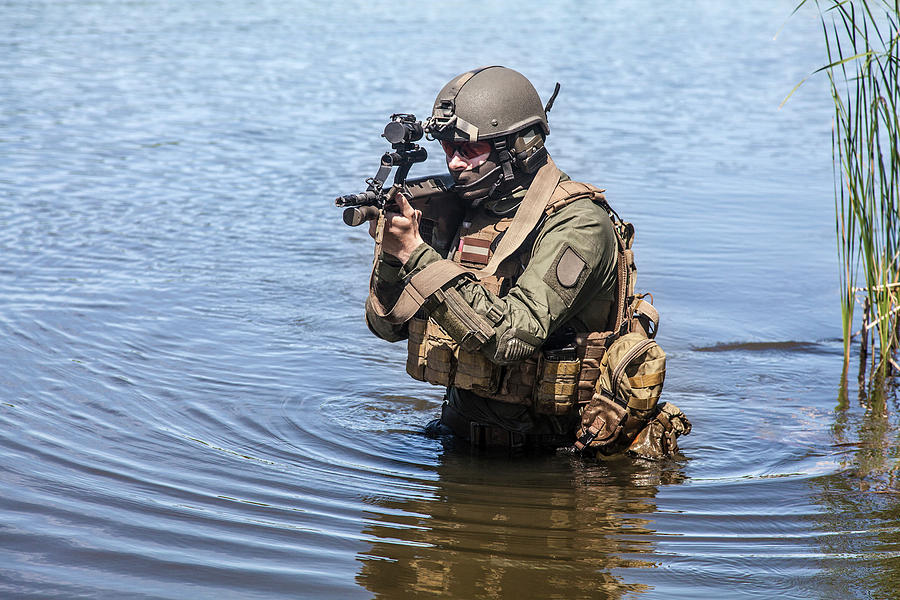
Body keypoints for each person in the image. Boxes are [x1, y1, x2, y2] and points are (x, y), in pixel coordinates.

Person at [364, 66, 689, 456]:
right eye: (448, 149)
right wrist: (393, 254)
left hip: (556, 456)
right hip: (459, 441)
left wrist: (417, 256)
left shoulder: (577, 223)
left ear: (519, 146)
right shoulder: (462, 208)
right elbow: (387, 328)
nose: (453, 164)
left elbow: (510, 339)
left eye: (468, 150)